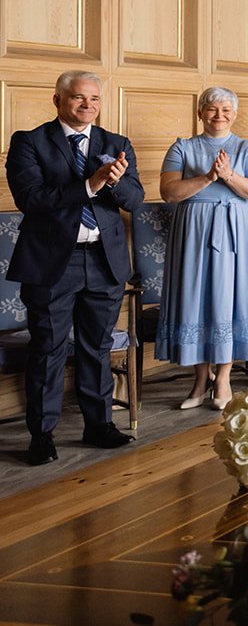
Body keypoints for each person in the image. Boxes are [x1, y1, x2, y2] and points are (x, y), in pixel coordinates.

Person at [5, 72, 141, 464]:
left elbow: (134, 200)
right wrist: (90, 185)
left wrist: (113, 184)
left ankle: (98, 426)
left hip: (104, 261)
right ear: (58, 100)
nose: (88, 106)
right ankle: (42, 435)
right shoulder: (30, 142)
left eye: (95, 99)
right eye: (79, 98)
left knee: (96, 348)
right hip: (51, 264)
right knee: (47, 348)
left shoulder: (116, 143)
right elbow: (31, 198)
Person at [157, 87, 248, 410]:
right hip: (193, 233)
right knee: (196, 300)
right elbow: (169, 191)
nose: (219, 115)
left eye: (225, 110)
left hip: (236, 233)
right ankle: (200, 379)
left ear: (234, 113)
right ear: (200, 112)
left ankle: (223, 379)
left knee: (230, 300)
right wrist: (208, 177)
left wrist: (229, 175)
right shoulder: (183, 147)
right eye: (212, 109)